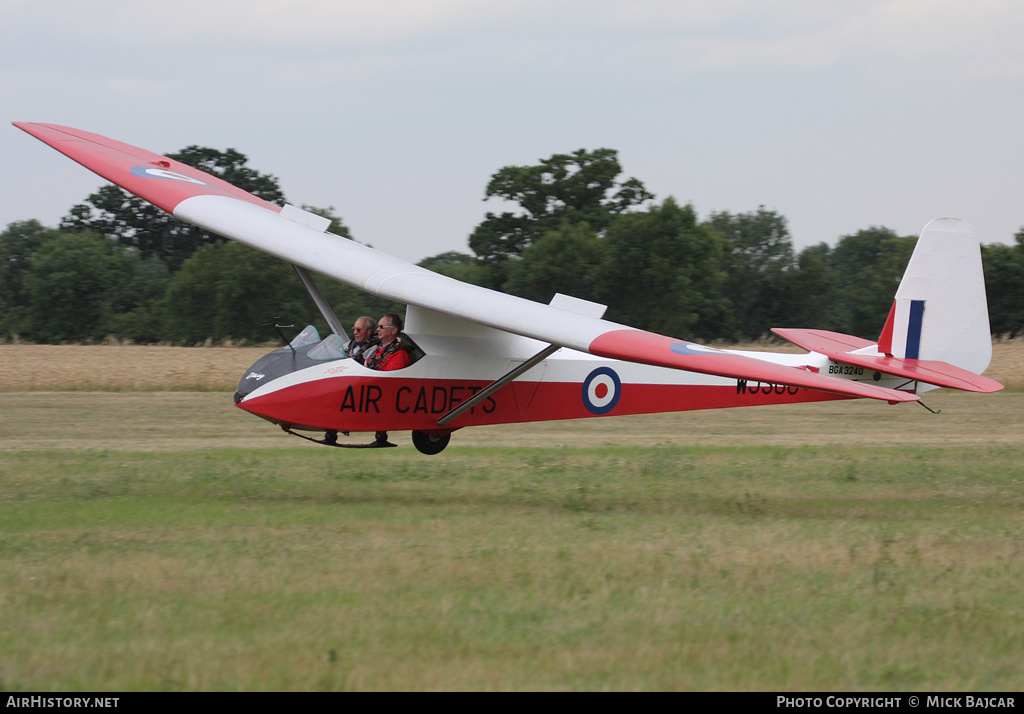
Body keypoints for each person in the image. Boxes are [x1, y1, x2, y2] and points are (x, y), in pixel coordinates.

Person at [364, 313, 413, 446]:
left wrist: (368, 368)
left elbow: (390, 377)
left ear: (394, 330)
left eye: (382, 327)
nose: (377, 329)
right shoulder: (377, 350)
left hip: (388, 396)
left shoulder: (400, 353)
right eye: (378, 326)